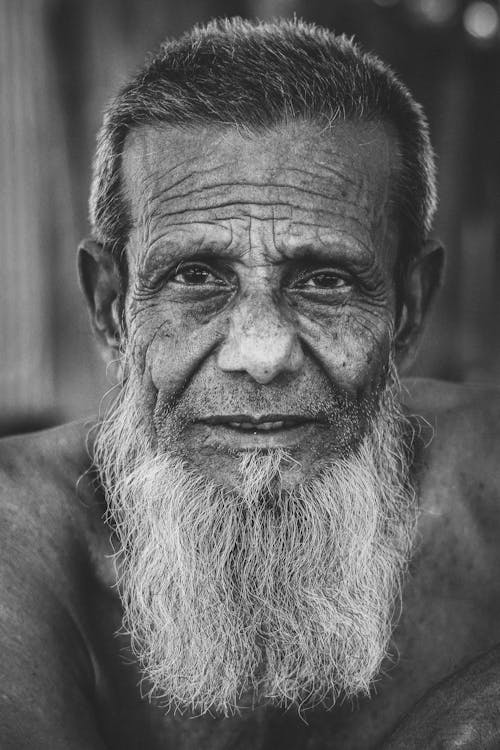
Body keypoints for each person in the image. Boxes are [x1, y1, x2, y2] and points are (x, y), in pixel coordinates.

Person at [1, 17, 499, 750]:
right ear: (112, 307)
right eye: (195, 277)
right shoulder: (20, 532)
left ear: (408, 308)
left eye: (326, 280)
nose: (262, 353)